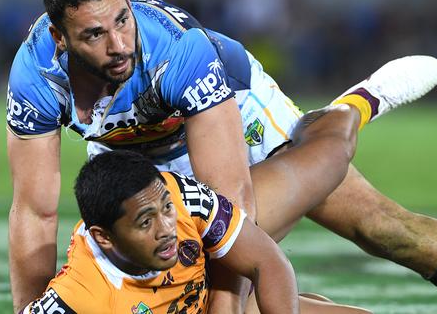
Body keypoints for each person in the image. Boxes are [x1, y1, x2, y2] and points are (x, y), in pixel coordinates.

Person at [6, 0, 437, 312]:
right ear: (59, 37)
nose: (118, 45)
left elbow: (231, 201)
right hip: (140, 162)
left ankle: (352, 109)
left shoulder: (178, 53)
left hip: (233, 115)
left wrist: (226, 309)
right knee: (175, 288)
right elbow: (35, 209)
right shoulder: (35, 79)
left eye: (123, 20)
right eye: (94, 34)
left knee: (381, 228)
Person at [22, 101, 374, 314]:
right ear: (104, 237)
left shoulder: (179, 198)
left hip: (217, 285)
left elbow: (267, 261)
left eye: (165, 209)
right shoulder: (78, 299)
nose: (166, 228)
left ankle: (354, 105)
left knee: (331, 153)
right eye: (145, 222)